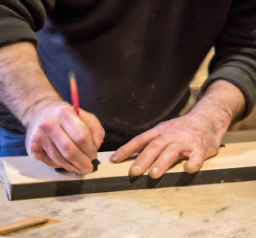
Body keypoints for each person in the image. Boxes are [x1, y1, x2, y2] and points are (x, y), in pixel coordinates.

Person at [0, 1, 255, 179]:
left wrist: (206, 121)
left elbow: (248, 48)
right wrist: (37, 105)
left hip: (165, 138)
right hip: (38, 132)